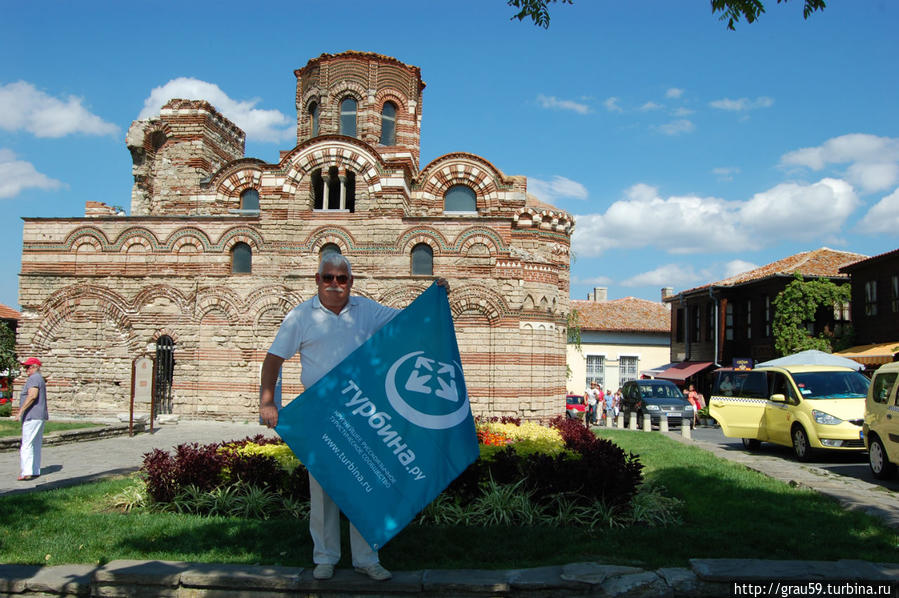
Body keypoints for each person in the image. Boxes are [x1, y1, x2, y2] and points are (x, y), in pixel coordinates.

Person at [259, 253, 448, 582]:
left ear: (351, 282)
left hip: (361, 412)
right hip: (320, 415)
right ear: (317, 280)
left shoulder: (366, 310)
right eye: (328, 278)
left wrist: (434, 296)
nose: (335, 284)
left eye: (341, 279)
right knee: (323, 492)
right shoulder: (300, 317)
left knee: (365, 484)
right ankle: (325, 558)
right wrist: (268, 402)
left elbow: (408, 321)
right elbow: (273, 360)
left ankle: (366, 558)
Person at [18, 357, 48, 481]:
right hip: (39, 415)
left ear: (35, 367)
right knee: (35, 443)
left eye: (28, 367)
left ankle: (26, 472)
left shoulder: (34, 378)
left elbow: (32, 395)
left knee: (27, 444)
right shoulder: (39, 378)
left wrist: (20, 412)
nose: (26, 370)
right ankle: (35, 470)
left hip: (32, 415)